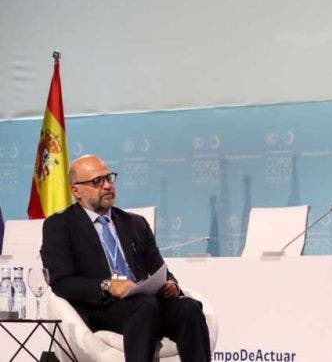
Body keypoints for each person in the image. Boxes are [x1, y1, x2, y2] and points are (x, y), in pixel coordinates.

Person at [40, 155, 211, 362]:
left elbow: (159, 269)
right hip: (102, 308)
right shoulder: (60, 225)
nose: (107, 186)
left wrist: (171, 284)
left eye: (109, 178)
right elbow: (61, 282)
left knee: (188, 308)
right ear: (76, 191)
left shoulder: (135, 223)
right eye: (97, 181)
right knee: (146, 306)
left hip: (146, 303)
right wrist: (107, 285)